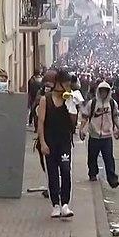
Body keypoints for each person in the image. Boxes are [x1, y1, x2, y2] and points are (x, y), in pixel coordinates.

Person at [37, 69, 77, 218]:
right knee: (52, 174)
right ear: (58, 83)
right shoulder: (45, 100)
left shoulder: (69, 99)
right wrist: (42, 143)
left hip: (64, 141)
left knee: (66, 171)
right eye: (66, 83)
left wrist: (71, 104)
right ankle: (55, 204)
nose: (68, 86)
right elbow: (40, 123)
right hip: (50, 141)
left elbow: (73, 122)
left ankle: (65, 203)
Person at [80, 81, 119, 188]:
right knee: (92, 157)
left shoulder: (112, 104)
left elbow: (115, 116)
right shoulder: (92, 103)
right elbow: (85, 117)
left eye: (105, 91)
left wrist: (118, 128)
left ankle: (112, 179)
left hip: (107, 136)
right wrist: (82, 129)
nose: (103, 93)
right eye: (101, 91)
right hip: (94, 135)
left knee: (109, 158)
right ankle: (93, 173)